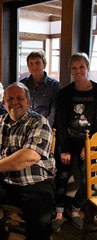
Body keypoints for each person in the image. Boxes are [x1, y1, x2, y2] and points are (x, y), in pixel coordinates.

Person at [0, 82, 56, 240]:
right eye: (10, 98)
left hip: (34, 184)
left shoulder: (39, 122)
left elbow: (30, 156)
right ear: (4, 102)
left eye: (19, 98)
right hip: (2, 182)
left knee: (41, 223)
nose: (14, 102)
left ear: (28, 102)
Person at [52, 52, 97, 232]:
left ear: (87, 68)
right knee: (62, 176)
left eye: (81, 67)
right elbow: (60, 123)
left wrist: (91, 146)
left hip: (90, 143)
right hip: (68, 142)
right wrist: (64, 149)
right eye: (74, 68)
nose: (78, 71)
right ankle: (59, 213)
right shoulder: (65, 93)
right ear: (70, 70)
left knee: (90, 181)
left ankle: (76, 209)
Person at [20, 51, 60, 127]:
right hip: (25, 125)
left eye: (37, 63)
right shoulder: (23, 84)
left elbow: (54, 111)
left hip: (44, 125)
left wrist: (45, 126)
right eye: (31, 64)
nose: (34, 66)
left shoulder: (54, 85)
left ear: (44, 64)